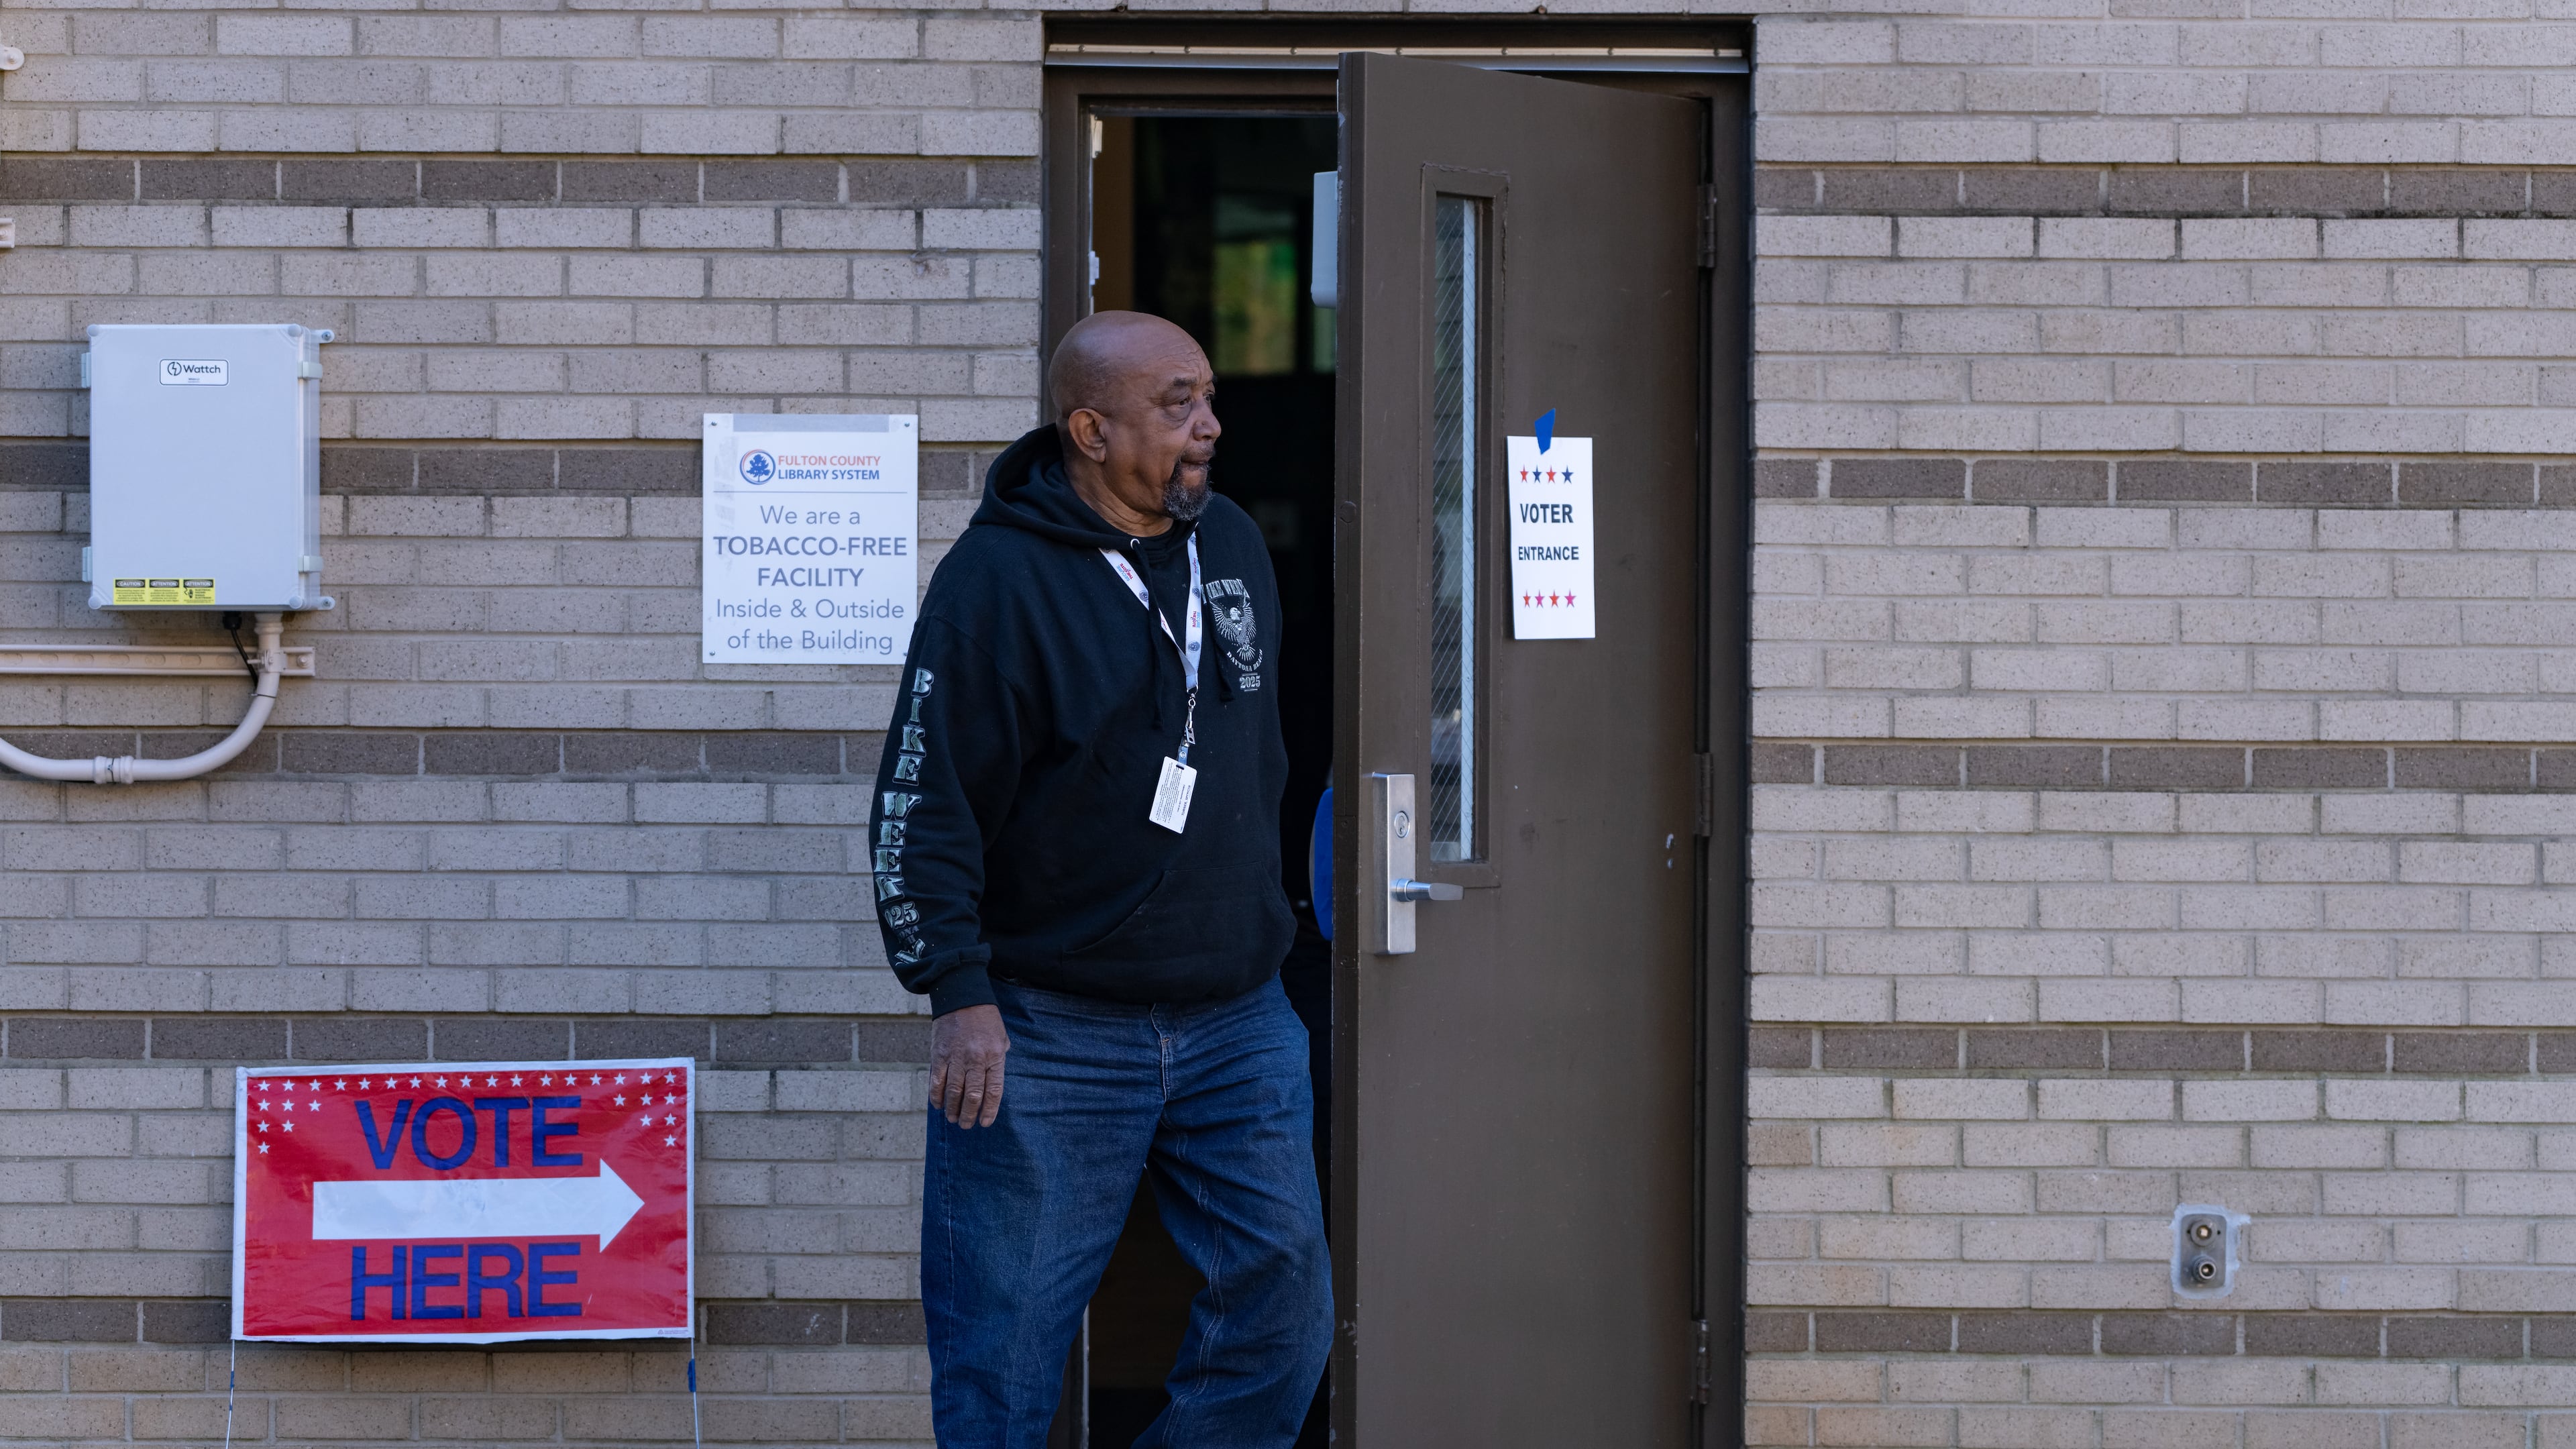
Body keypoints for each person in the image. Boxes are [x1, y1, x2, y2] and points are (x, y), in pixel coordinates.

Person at [867, 311, 1331, 1446]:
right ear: (1087, 428)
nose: (1210, 426)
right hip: (1049, 1031)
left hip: (1237, 1018)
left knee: (1286, 1311)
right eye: (1178, 404)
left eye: (1207, 398)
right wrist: (957, 992)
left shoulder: (1226, 544)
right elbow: (922, 804)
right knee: (1004, 1353)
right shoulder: (994, 581)